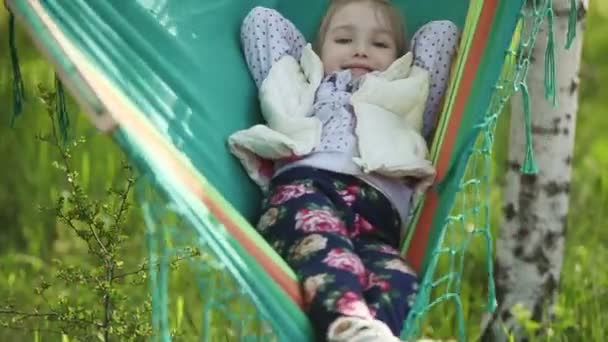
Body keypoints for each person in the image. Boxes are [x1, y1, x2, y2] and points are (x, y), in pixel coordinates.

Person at [230, 1, 459, 340]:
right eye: (344, 40)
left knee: (399, 282)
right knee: (323, 248)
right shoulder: (302, 88)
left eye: (379, 44)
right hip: (306, 189)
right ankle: (348, 323)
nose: (361, 51)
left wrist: (399, 67)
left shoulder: (406, 98)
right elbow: (260, 22)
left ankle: (375, 332)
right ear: (318, 52)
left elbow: (443, 34)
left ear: (398, 59)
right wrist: (312, 59)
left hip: (378, 216)